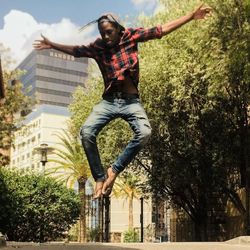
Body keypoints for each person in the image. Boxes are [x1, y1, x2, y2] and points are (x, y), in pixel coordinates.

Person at [33, 4, 212, 199]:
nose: (106, 37)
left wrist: (191, 16)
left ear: (119, 29)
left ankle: (114, 170)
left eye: (109, 32)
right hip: (109, 101)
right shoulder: (98, 47)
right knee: (86, 132)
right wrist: (52, 44)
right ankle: (100, 177)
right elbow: (77, 50)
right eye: (102, 33)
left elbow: (161, 30)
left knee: (144, 132)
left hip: (131, 102)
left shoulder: (131, 36)